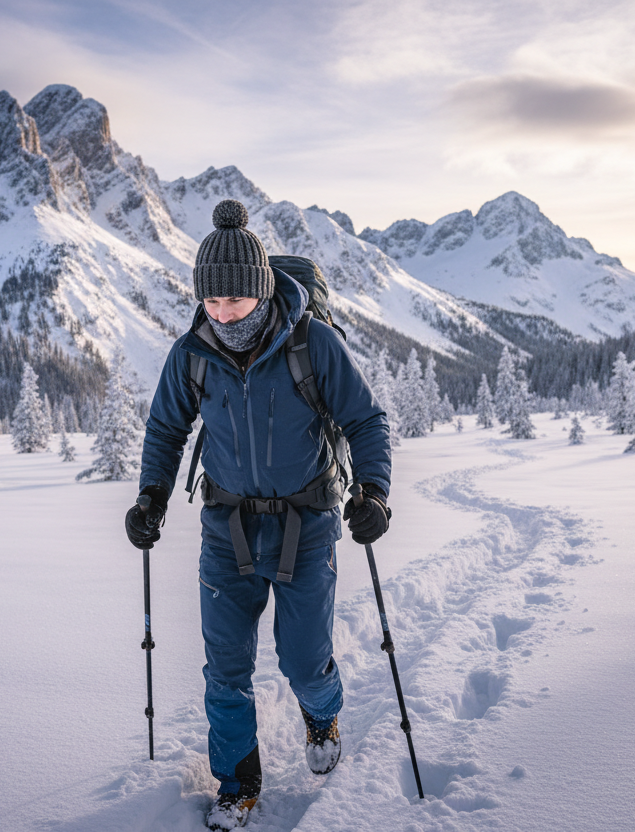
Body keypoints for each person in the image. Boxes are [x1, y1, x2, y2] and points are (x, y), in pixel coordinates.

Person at [125, 199, 392, 831]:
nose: (220, 315)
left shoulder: (311, 344)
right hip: (226, 527)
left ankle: (321, 714)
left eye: (233, 303)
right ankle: (238, 785)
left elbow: (365, 419)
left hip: (307, 522)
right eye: (210, 303)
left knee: (303, 658)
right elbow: (166, 429)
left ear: (262, 290)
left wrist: (375, 492)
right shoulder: (193, 352)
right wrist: (150, 497)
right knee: (225, 666)